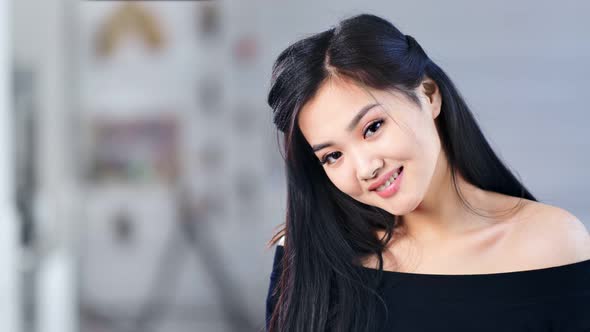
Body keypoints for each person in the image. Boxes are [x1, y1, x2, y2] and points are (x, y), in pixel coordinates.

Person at [264, 13, 590, 332]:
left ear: (429, 94)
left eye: (373, 127)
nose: (365, 168)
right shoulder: (309, 252)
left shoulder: (551, 244)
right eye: (333, 155)